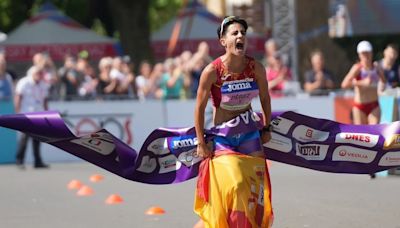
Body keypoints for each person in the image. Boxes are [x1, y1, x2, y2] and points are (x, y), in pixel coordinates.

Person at [194, 16, 273, 227]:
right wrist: (201, 142)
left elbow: (265, 98)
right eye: (235, 33)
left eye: (243, 33)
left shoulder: (256, 68)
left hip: (249, 134)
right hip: (223, 137)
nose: (240, 36)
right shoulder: (212, 71)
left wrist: (267, 126)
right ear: (223, 41)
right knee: (236, 184)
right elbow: (199, 108)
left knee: (255, 189)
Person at [341, 40, 385, 179]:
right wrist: (360, 83)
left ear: (371, 54)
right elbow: (344, 84)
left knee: (375, 134)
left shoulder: (376, 68)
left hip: (373, 105)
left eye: (368, 53)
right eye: (363, 54)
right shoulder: (357, 68)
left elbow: (384, 81)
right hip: (359, 106)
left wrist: (382, 86)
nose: (366, 56)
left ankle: (372, 165)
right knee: (363, 138)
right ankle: (364, 164)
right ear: (359, 55)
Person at [14, 66, 50, 169]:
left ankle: (37, 162)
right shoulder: (24, 82)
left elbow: (45, 100)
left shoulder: (43, 84)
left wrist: (47, 114)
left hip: (39, 114)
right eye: (38, 73)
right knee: (24, 138)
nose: (40, 75)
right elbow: (18, 97)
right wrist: (17, 113)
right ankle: (19, 160)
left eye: (41, 73)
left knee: (37, 139)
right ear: (32, 73)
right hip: (26, 114)